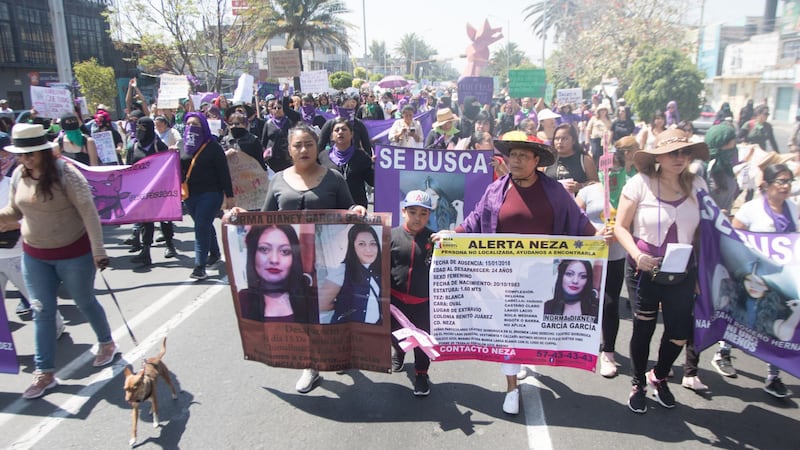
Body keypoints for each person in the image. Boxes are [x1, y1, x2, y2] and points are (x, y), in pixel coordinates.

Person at [434, 130, 604, 415]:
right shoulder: (495, 190)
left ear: (537, 161)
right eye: (512, 155)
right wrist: (451, 235)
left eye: (523, 156)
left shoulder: (556, 192)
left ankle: (524, 359)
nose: (515, 161)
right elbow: (474, 220)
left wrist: (599, 236)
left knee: (531, 329)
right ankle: (511, 388)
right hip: (504, 277)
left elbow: (579, 222)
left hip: (544, 278)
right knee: (509, 333)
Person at [224, 124, 367, 394]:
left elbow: (350, 208)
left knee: (331, 310)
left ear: (317, 147)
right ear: (289, 150)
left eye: (309, 144)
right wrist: (242, 216)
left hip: (330, 260)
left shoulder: (334, 178)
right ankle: (310, 366)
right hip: (294, 265)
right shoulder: (278, 180)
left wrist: (355, 209)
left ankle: (338, 351)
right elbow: (265, 220)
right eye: (297, 145)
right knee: (304, 314)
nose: (304, 150)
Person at [0, 124, 116, 399]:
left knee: (84, 301)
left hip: (74, 253)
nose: (24, 159)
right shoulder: (18, 175)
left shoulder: (67, 174)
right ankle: (45, 372)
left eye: (30, 154)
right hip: (35, 256)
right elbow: (14, 211)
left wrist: (98, 250)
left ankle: (106, 343)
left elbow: (88, 212)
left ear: (42, 151)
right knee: (41, 311)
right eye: (20, 154)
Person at [614, 128, 709, 414]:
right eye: (673, 152)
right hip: (645, 269)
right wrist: (637, 254)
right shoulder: (639, 183)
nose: (680, 158)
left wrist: (701, 275)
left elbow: (707, 233)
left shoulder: (699, 185)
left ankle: (659, 376)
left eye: (685, 152)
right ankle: (638, 384)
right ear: (658, 156)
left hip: (683, 272)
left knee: (679, 332)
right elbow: (620, 226)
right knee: (643, 329)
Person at [727, 163, 799, 398]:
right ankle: (724, 351)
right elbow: (733, 238)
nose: (786, 186)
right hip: (754, 275)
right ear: (766, 185)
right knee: (742, 316)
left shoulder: (793, 208)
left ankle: (773, 376)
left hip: (781, 278)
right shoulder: (751, 209)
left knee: (778, 320)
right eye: (781, 181)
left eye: (789, 181)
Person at [390, 190, 435, 396]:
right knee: (395, 334)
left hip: (423, 303)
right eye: (413, 212)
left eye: (423, 213)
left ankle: (421, 374)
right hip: (395, 301)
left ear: (429, 215)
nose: (417, 218)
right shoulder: (390, 236)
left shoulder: (435, 240)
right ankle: (398, 354)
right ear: (403, 211)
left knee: (422, 341)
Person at [181, 112, 235, 280]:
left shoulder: (213, 146)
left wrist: (230, 196)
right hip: (190, 195)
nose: (191, 127)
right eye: (188, 124)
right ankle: (214, 252)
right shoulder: (182, 145)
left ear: (203, 126)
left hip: (211, 194)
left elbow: (224, 173)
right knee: (202, 224)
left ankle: (199, 266)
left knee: (201, 226)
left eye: (196, 124)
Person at [238, 225, 317, 323]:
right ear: (253, 254)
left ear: (294, 257)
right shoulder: (241, 300)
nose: (274, 260)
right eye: (264, 249)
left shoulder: (313, 300)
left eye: (285, 251)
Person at [318, 223, 382, 325]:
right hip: (350, 334)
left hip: (373, 332)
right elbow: (322, 303)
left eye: (373, 243)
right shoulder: (342, 270)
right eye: (361, 244)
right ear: (353, 247)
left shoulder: (377, 270)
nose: (368, 249)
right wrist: (344, 305)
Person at [318, 118, 374, 208]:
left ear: (351, 134)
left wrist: (376, 165)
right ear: (332, 136)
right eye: (337, 130)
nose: (340, 132)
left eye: (344, 129)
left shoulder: (362, 156)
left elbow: (373, 181)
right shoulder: (323, 157)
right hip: (330, 210)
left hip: (356, 208)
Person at [544, 123, 599, 195]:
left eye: (564, 139)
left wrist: (581, 186)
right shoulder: (547, 160)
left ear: (573, 140)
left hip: (578, 203)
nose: (560, 142)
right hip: (552, 204)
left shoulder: (584, 159)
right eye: (557, 139)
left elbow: (596, 184)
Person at [261, 97, 296, 172]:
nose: (277, 110)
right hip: (273, 158)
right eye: (274, 108)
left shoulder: (290, 122)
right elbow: (264, 141)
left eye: (279, 107)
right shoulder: (268, 123)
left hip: (288, 157)